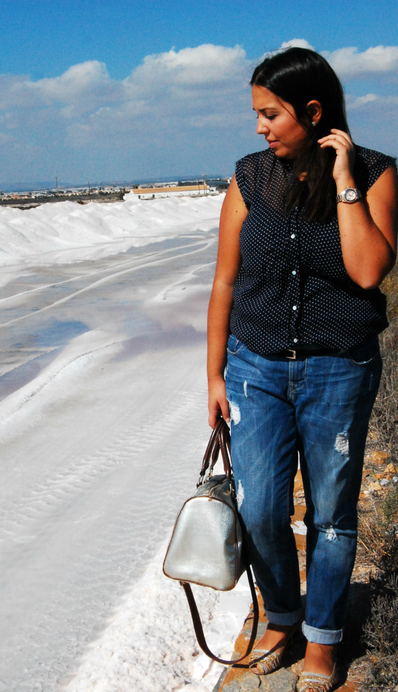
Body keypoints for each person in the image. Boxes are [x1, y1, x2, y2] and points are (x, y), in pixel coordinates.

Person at [207, 47, 397, 692]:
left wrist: (343, 175)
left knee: (332, 514)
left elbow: (369, 271)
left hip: (337, 371)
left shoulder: (374, 174)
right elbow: (226, 282)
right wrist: (213, 378)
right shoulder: (249, 177)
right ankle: (282, 617)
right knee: (260, 508)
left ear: (312, 112)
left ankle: (323, 637)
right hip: (255, 370)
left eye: (271, 114)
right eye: (257, 115)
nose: (260, 127)